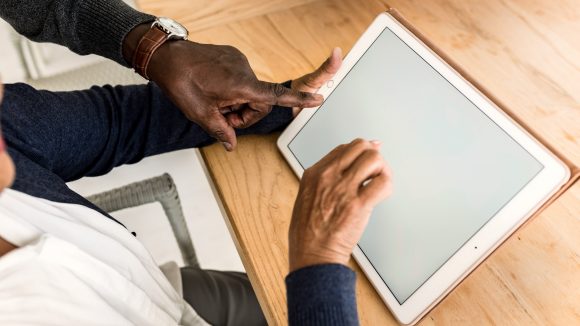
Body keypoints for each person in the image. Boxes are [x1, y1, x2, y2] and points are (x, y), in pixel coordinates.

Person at [0, 0, 392, 325]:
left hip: (159, 296)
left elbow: (118, 122)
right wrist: (318, 259)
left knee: (265, 295)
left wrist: (279, 104)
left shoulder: (6, 130)